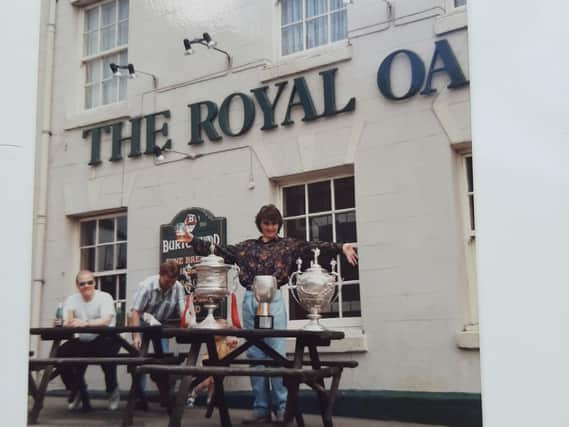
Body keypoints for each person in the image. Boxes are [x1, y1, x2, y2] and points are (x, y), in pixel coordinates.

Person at [183, 204, 358, 424]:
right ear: (260, 224)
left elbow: (315, 245)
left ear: (278, 224)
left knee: (276, 354)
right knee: (255, 355)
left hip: (274, 298)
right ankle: (261, 407)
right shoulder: (246, 247)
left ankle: (282, 408)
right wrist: (192, 240)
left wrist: (341, 247)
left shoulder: (289, 245)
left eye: (274, 223)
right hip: (250, 299)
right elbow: (218, 250)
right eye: (266, 223)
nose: (270, 227)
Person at [56, 270, 121, 411]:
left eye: (89, 282)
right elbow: (67, 320)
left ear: (95, 282)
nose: (86, 286)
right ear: (77, 285)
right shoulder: (72, 299)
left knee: (108, 358)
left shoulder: (104, 297)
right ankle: (77, 390)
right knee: (60, 354)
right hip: (83, 340)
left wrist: (85, 323)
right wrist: (61, 322)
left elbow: (106, 320)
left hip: (106, 338)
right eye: (82, 283)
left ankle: (112, 390)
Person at [128, 260, 185, 408]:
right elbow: (135, 312)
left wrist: (188, 322)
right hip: (140, 321)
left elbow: (182, 311)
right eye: (167, 280)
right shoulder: (147, 286)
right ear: (161, 275)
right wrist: (136, 336)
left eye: (173, 280)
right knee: (140, 358)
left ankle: (165, 397)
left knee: (163, 359)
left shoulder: (177, 287)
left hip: (159, 324)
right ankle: (140, 397)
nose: (170, 284)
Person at [186, 319, 239, 408]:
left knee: (214, 383)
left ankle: (209, 399)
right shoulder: (215, 337)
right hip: (208, 361)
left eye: (226, 323)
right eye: (222, 324)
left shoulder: (227, 339)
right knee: (206, 382)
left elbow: (235, 342)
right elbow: (217, 336)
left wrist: (232, 333)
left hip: (221, 364)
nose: (225, 324)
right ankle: (193, 393)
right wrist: (225, 332)